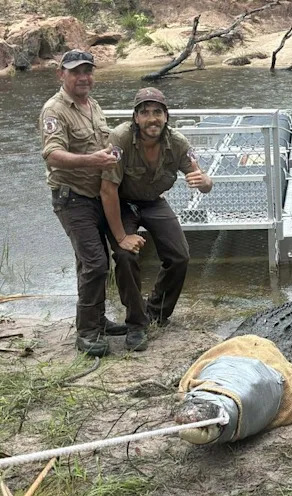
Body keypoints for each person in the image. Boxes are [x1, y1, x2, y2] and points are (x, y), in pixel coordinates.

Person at [101, 87, 212, 351]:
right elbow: (107, 190)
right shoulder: (120, 139)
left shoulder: (178, 143)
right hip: (123, 202)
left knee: (180, 255)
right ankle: (136, 323)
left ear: (166, 116)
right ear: (136, 118)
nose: (152, 118)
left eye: (158, 112)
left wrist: (205, 181)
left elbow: (203, 181)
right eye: (145, 113)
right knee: (125, 255)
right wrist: (121, 237)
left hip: (153, 201)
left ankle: (157, 313)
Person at [39, 49, 127, 357]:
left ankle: (95, 320)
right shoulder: (54, 110)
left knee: (91, 261)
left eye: (87, 71)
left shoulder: (93, 105)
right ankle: (88, 332)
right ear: (61, 74)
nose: (83, 77)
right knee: (96, 263)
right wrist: (92, 160)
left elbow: (104, 145)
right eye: (76, 71)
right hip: (72, 198)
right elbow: (52, 154)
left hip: (97, 197)